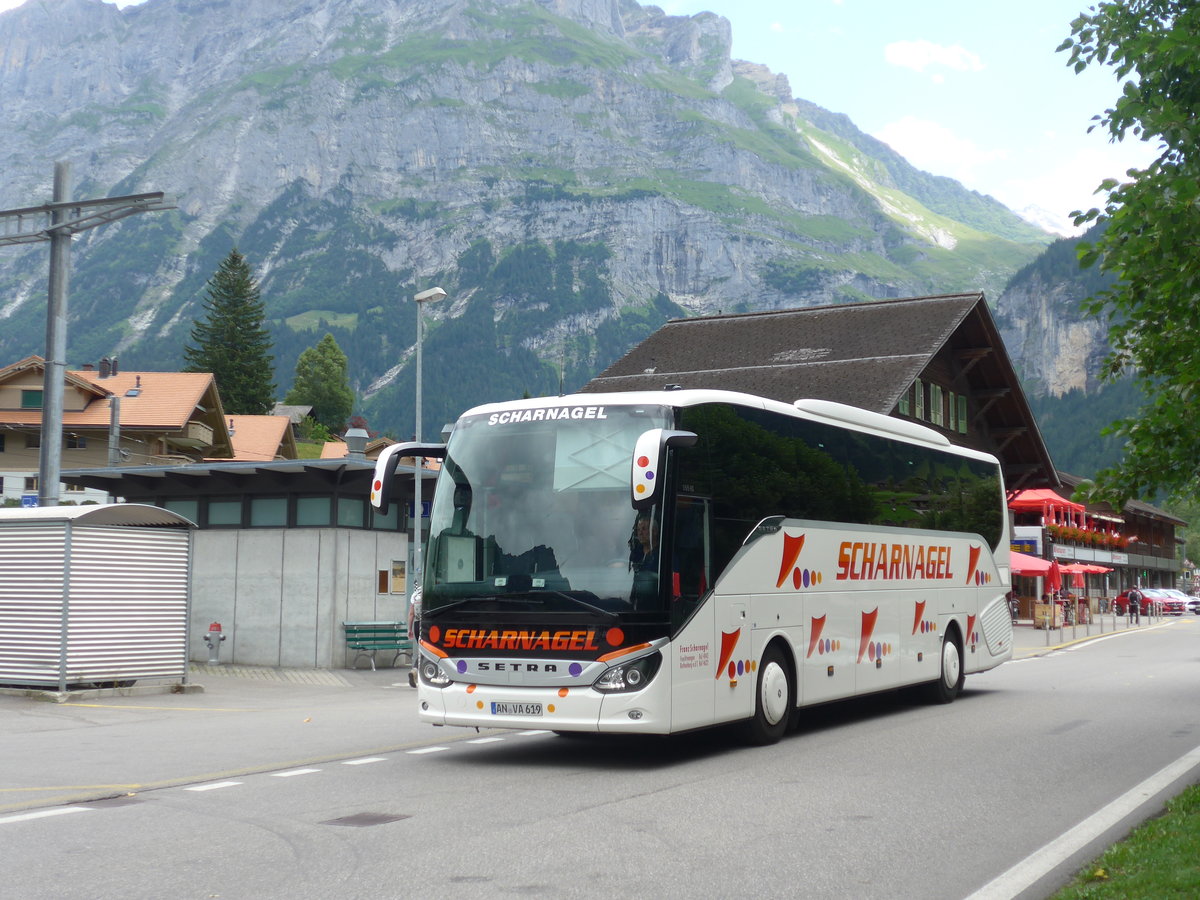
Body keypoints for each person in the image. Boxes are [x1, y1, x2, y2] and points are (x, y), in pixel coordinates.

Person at [407, 582, 422, 688]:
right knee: (428, 652)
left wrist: (409, 629)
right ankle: (415, 671)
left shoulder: (416, 593)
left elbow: (411, 613)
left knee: (422, 650)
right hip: (428, 624)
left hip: (417, 625)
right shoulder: (432, 590)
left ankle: (415, 672)